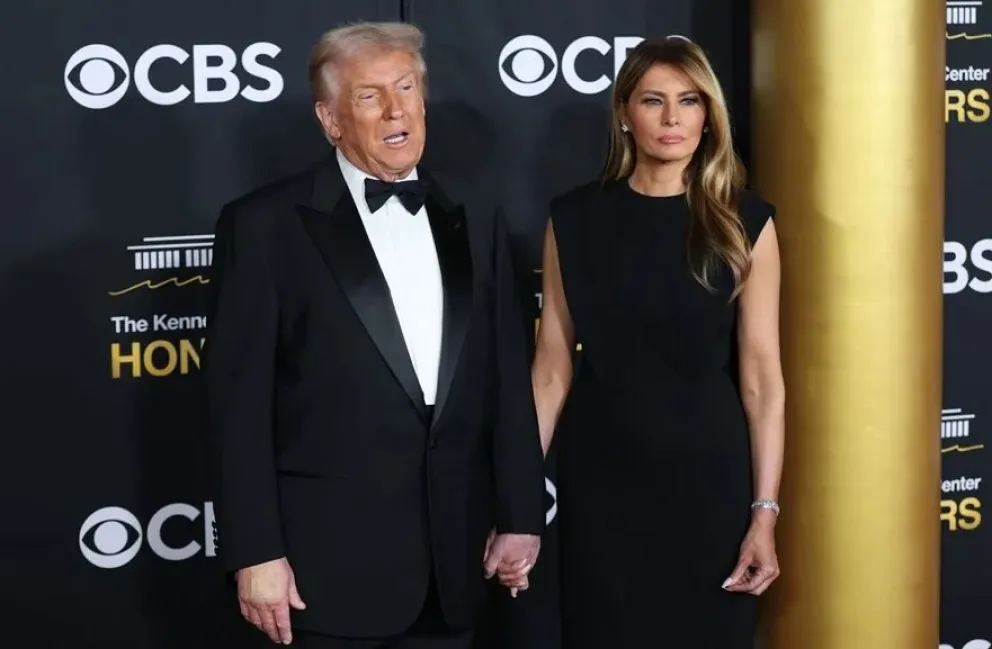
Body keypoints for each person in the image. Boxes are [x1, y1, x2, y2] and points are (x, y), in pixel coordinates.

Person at [203, 22, 545, 649]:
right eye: (369, 96)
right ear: (330, 119)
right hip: (323, 574)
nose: (396, 109)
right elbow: (237, 407)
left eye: (406, 87)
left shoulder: (474, 211)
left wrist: (521, 515)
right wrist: (254, 553)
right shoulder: (263, 226)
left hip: (454, 566)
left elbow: (506, 375)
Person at [526, 36, 786, 648]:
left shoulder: (745, 222)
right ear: (624, 112)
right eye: (654, 100)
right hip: (600, 484)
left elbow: (761, 378)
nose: (673, 119)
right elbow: (551, 371)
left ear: (708, 116)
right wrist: (515, 499)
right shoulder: (574, 218)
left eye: (689, 101)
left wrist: (764, 512)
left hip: (709, 488)